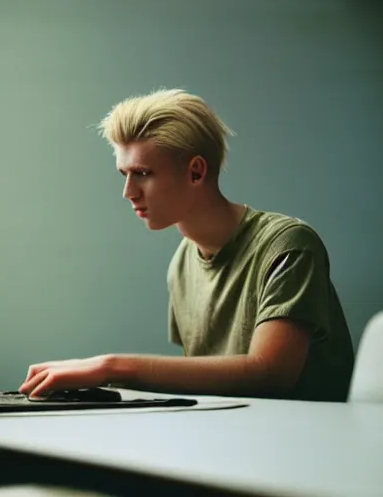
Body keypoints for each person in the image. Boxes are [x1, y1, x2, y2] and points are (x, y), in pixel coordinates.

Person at [19, 88, 354, 402]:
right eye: (124, 174)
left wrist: (110, 368)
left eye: (143, 173)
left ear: (195, 172)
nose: (129, 192)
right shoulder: (182, 264)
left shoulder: (288, 244)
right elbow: (207, 383)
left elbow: (271, 374)